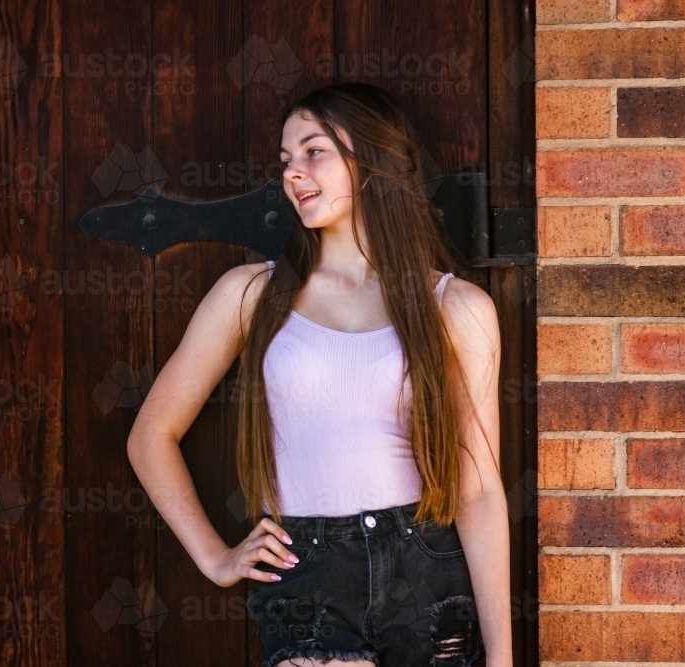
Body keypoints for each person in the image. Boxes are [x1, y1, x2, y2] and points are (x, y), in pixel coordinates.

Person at [127, 82, 510, 667]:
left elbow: (479, 491)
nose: (293, 174)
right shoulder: (251, 296)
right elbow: (151, 434)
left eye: (313, 152)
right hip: (307, 573)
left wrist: (503, 655)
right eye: (285, 161)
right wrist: (216, 558)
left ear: (372, 160)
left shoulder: (455, 308)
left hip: (425, 564)